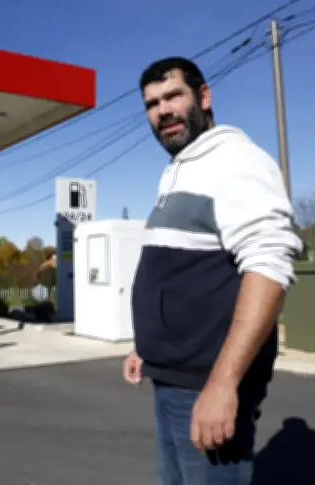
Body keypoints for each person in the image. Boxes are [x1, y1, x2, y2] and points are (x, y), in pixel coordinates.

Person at [123, 56, 302, 485]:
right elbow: (181, 273)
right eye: (152, 104)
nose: (163, 111)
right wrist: (147, 345)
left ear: (203, 97)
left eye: (173, 96)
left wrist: (223, 384)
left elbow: (269, 267)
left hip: (205, 383)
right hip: (172, 377)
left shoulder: (236, 160)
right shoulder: (180, 170)